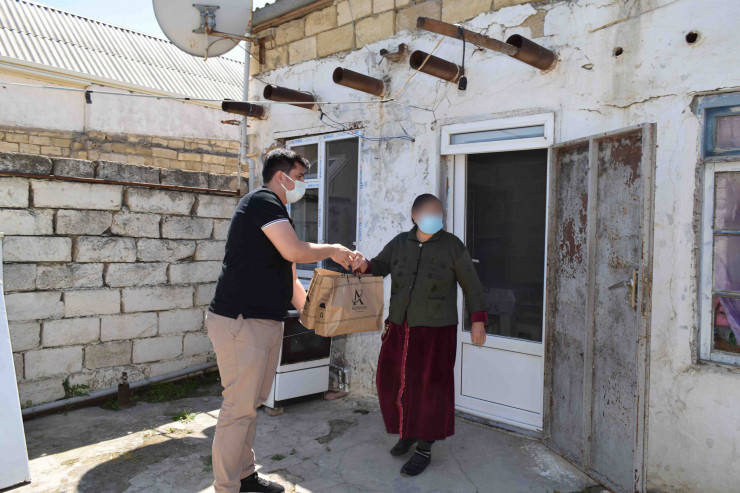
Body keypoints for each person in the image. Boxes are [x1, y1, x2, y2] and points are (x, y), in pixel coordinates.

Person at [207, 148, 355, 493]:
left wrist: (312, 317)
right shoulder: (262, 202)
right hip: (241, 320)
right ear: (281, 176)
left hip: (264, 322)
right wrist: (333, 249)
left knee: (250, 406)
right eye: (300, 176)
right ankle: (227, 487)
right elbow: (296, 252)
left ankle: (245, 477)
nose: (303, 184)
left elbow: (289, 277)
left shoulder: (277, 214)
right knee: (238, 409)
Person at [351, 193, 488, 477]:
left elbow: (471, 284)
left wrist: (478, 321)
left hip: (436, 331)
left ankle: (424, 447)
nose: (435, 217)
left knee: (431, 390)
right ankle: (408, 432)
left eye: (439, 213)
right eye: (428, 213)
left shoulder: (452, 246)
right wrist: (362, 263)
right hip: (400, 327)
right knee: (393, 383)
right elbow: (378, 267)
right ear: (414, 216)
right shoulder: (400, 242)